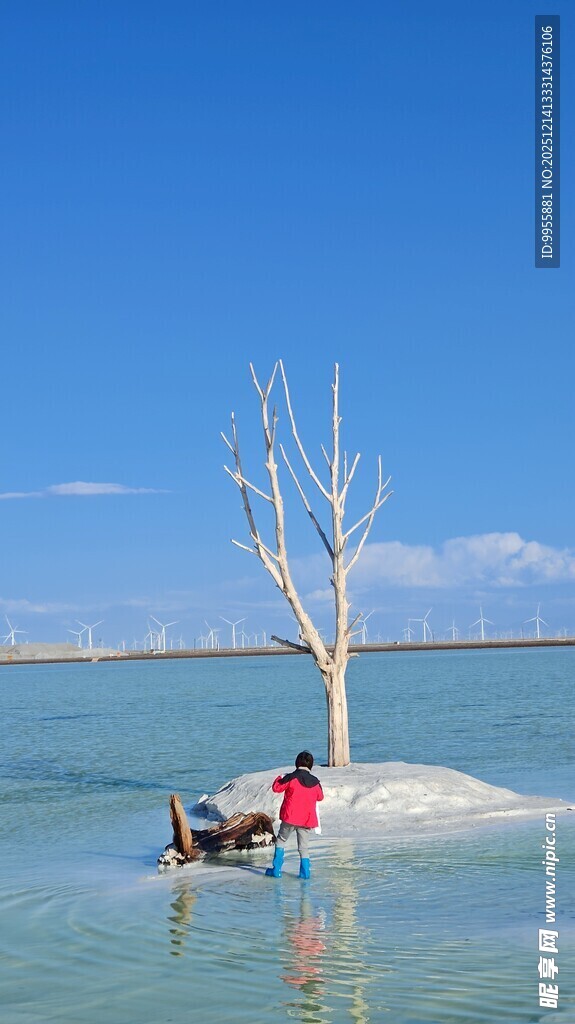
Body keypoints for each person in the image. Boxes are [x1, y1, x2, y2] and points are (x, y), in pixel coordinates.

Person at [266, 751, 324, 879]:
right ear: (311, 765)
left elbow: (276, 788)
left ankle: (276, 870)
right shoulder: (315, 782)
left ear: (296, 763)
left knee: (281, 840)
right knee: (303, 847)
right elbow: (320, 797)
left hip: (290, 817)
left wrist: (280, 776)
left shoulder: (291, 777)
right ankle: (305, 874)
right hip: (307, 820)